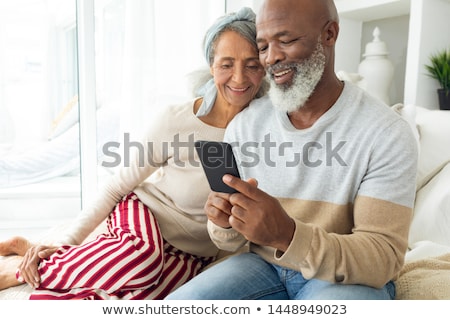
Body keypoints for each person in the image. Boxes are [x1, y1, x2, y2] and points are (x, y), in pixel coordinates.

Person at [0, 7, 266, 300]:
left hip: (194, 251)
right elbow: (116, 187)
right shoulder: (176, 119)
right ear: (211, 65)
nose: (239, 77)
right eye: (226, 64)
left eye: (252, 64)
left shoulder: (263, 129)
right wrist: (65, 244)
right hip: (145, 214)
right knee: (142, 262)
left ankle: (36, 250)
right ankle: (16, 271)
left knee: (134, 298)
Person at [166, 0, 418, 300]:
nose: (271, 58)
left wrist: (288, 235)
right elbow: (229, 241)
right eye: (263, 47)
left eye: (285, 41)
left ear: (329, 34)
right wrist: (224, 221)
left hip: (345, 279)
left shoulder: (387, 132)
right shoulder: (245, 124)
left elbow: (382, 258)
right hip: (263, 266)